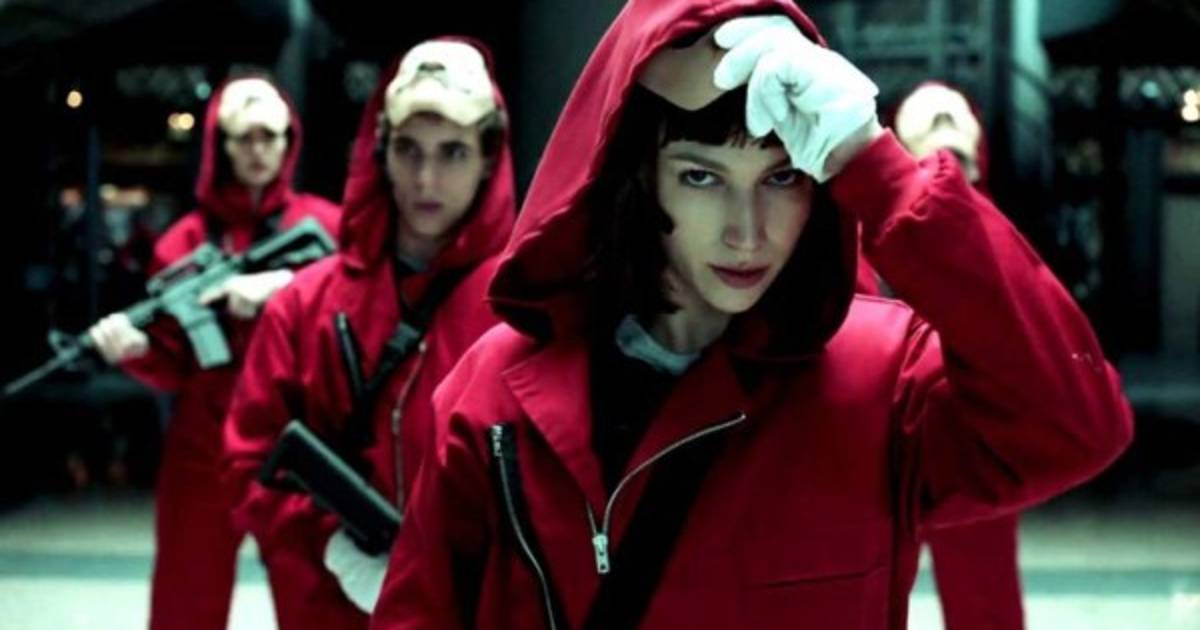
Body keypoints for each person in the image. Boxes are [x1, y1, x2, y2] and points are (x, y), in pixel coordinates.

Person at [371, 1, 1133, 628]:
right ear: (639, 177)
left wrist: (879, 167)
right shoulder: (496, 397)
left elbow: (1075, 425)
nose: (747, 231)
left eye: (781, 178)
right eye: (701, 177)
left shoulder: (882, 380)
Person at [222, 38, 515, 629]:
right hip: (330, 607)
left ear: (489, 157)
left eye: (453, 151)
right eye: (408, 149)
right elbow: (248, 462)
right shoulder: (304, 306)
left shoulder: (524, 311)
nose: (426, 178)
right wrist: (329, 542)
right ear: (382, 149)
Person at [87, 76, 340, 630]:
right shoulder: (183, 243)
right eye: (243, 137)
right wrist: (133, 351)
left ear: (289, 141)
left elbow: (356, 309)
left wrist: (283, 288)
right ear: (220, 145)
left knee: (316, 601)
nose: (257, 150)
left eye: (269, 136)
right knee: (187, 599)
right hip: (204, 443)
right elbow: (173, 361)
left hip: (300, 440)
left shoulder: (325, 225)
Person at [892, 80, 1024, 630]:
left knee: (983, 591)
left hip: (970, 430)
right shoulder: (871, 230)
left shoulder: (996, 236)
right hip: (887, 429)